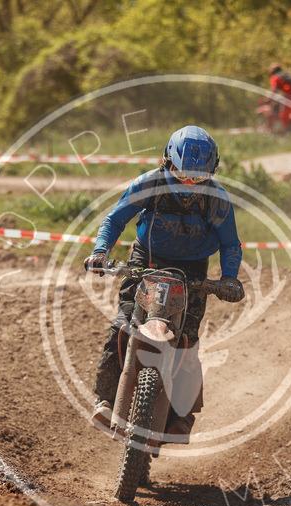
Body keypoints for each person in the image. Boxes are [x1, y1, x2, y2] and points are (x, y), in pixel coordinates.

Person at [83, 125, 244, 439]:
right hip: (147, 258)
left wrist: (229, 278)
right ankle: (105, 400)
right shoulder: (149, 184)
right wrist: (101, 251)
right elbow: (115, 219)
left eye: (197, 177)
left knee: (188, 338)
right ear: (167, 162)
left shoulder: (217, 199)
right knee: (122, 324)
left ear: (212, 172)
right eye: (182, 174)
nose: (188, 183)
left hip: (193, 267)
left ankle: (182, 415)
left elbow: (230, 244)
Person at [268, 63, 291, 131]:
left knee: (283, 115)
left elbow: (274, 90)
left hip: (290, 96)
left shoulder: (275, 77)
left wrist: (269, 98)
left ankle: (285, 132)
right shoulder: (286, 75)